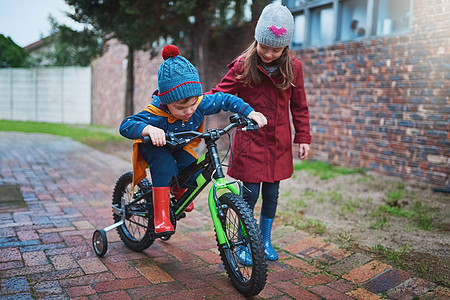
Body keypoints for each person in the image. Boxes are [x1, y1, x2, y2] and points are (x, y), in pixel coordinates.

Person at [119, 45, 267, 238]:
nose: (189, 111)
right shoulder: (156, 113)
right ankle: (161, 215)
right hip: (156, 148)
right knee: (165, 167)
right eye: (181, 108)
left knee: (193, 168)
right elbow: (126, 124)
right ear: (166, 102)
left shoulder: (198, 102)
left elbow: (225, 99)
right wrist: (148, 129)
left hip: (179, 146)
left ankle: (179, 190)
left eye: (192, 105)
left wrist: (249, 112)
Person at [208, 3, 311, 263]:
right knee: (250, 193)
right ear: (257, 40)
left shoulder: (293, 68)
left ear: (285, 47)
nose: (268, 53)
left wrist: (303, 137)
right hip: (250, 139)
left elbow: (300, 106)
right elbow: (220, 94)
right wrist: (191, 104)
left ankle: (264, 240)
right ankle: (244, 241)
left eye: (275, 49)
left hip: (278, 142)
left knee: (272, 193)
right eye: (264, 47)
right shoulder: (243, 65)